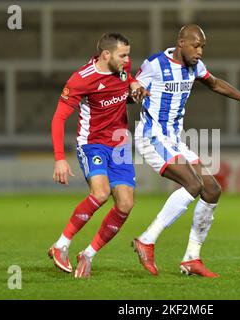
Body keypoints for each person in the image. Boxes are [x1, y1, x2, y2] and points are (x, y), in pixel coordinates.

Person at [132, 24, 240, 277]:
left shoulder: (194, 67)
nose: (199, 52)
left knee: (211, 189)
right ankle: (147, 239)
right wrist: (135, 93)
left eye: (203, 47)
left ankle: (191, 258)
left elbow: (215, 83)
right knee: (192, 184)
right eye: (196, 46)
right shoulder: (155, 64)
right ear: (181, 43)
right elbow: (130, 91)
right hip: (152, 136)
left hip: (175, 140)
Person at [48, 32, 148, 278]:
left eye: (128, 55)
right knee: (101, 193)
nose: (127, 59)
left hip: (120, 144)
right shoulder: (82, 79)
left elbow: (127, 82)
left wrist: (135, 85)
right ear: (106, 55)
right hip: (92, 144)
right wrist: (59, 158)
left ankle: (89, 254)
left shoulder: (123, 68)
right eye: (123, 55)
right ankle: (61, 245)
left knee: (125, 203)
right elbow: (59, 118)